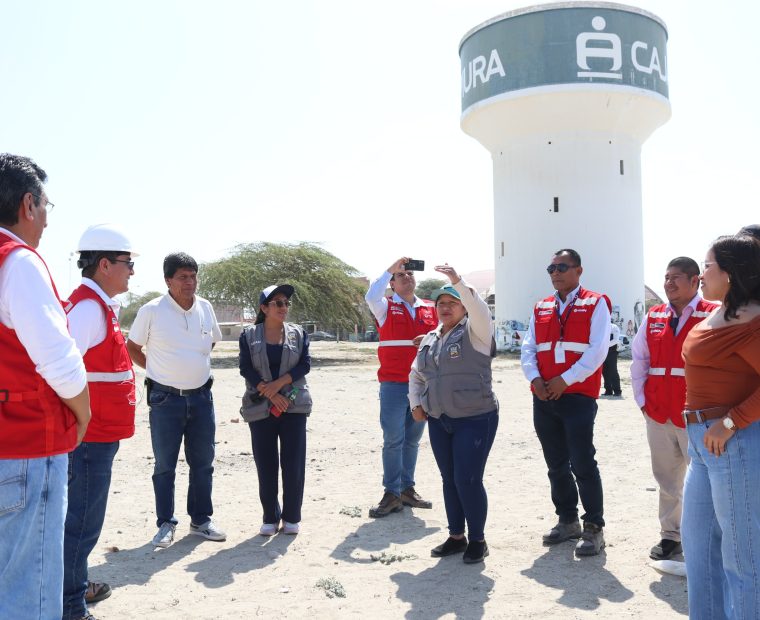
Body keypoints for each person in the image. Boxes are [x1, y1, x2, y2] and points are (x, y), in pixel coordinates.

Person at [0, 154, 91, 619]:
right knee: (28, 591)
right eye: (47, 206)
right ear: (28, 204)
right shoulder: (20, 263)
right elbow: (60, 361)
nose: (48, 220)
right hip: (25, 447)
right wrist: (83, 413)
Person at [62, 224, 138, 619]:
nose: (131, 271)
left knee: (82, 519)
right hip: (88, 438)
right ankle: (71, 606)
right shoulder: (89, 310)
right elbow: (60, 369)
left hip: (96, 436)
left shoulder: (97, 305)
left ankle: (75, 587)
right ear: (104, 264)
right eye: (127, 263)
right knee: (81, 523)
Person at [681, 235, 760, 618]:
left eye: (707, 265)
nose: (701, 274)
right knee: (699, 555)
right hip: (701, 445)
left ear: (730, 273)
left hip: (733, 443)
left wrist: (731, 422)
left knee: (742, 561)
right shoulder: (720, 310)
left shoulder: (754, 319)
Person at [126, 252, 226, 548]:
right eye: (182, 277)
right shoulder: (152, 310)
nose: (189, 282)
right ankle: (166, 524)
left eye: (193, 276)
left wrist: (191, 365)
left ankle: (201, 520)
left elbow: (212, 341)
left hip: (201, 398)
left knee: (203, 462)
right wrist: (158, 369)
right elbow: (132, 347)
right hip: (165, 399)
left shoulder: (205, 308)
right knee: (165, 465)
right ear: (168, 280)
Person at [520, 248, 611, 557]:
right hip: (543, 396)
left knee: (582, 462)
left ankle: (594, 528)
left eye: (562, 266)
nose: (555, 272)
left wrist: (565, 380)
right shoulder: (541, 306)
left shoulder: (596, 302)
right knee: (556, 464)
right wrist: (534, 379)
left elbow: (598, 350)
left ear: (578, 271)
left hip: (577, 396)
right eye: (551, 268)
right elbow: (528, 346)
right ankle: (567, 520)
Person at [630, 257, 718, 563]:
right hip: (658, 413)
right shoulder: (654, 315)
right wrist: (642, 402)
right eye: (666, 278)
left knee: (704, 481)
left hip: (697, 416)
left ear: (695, 281)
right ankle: (671, 536)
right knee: (666, 479)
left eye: (676, 278)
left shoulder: (713, 314)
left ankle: (706, 540)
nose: (668, 283)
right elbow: (639, 359)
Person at [409, 265, 498, 564]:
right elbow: (416, 374)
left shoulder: (478, 331)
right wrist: (415, 404)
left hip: (475, 417)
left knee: (468, 479)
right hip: (440, 419)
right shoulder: (431, 338)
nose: (445, 308)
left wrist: (457, 282)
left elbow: (478, 307)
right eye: (440, 304)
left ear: (463, 307)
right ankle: (456, 536)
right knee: (450, 479)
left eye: (452, 303)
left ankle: (478, 540)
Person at [365, 257, 438, 517]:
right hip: (394, 384)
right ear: (392, 284)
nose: (407, 278)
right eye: (401, 275)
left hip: (423, 385)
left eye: (409, 274)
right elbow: (372, 294)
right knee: (393, 439)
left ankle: (407, 489)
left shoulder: (430, 308)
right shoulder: (384, 306)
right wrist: (390, 268)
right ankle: (391, 493)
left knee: (413, 440)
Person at [239, 284, 312, 536]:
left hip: (293, 406)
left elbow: (304, 365)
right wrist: (268, 391)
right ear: (263, 308)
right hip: (260, 407)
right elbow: (245, 368)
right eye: (277, 303)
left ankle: (292, 517)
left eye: (285, 303)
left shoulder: (299, 333)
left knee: (293, 463)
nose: (283, 307)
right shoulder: (248, 335)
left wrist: (278, 387)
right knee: (266, 463)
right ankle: (270, 516)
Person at [601, 320, 621, 396]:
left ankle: (617, 391)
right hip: (603, 352)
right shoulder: (601, 327)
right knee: (604, 372)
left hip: (611, 352)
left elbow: (615, 340)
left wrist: (604, 345)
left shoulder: (614, 327)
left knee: (613, 372)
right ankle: (608, 390)